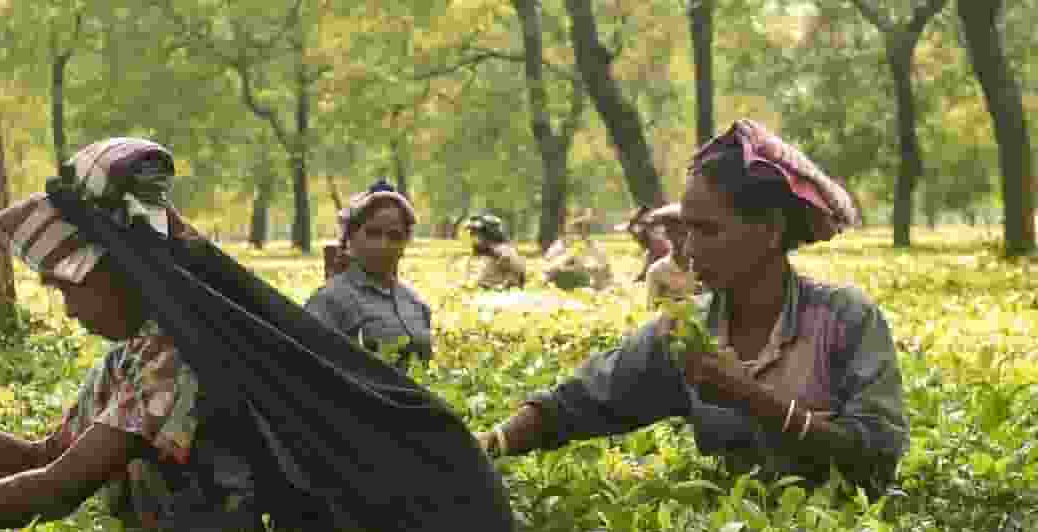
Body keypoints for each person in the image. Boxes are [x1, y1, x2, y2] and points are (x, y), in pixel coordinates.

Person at [0, 145, 524, 532]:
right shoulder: (134, 355)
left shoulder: (180, 358)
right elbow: (40, 458)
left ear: (119, 272)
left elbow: (55, 490)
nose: (66, 307)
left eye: (68, 287)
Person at [478, 119, 907, 489]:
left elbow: (876, 458)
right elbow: (577, 402)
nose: (689, 249)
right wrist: (487, 445)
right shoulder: (687, 332)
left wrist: (751, 398)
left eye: (708, 230)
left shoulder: (845, 319)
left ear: (770, 230)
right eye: (686, 230)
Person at [305, 179, 432, 369]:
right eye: (373, 233)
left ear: (405, 243)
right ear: (351, 237)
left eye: (395, 236)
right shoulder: (329, 301)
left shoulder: (416, 304)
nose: (383, 245)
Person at [466, 213, 526, 290]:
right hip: (488, 284)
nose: (473, 237)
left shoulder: (502, 250)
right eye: (472, 233)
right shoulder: (483, 249)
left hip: (503, 286)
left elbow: (516, 271)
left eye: (476, 232)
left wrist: (505, 284)